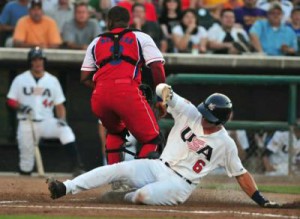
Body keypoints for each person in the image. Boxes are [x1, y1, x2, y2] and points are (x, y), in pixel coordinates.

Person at [47, 83, 280, 208]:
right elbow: (161, 89)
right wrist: (165, 93)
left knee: (142, 197)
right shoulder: (190, 111)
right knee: (115, 169)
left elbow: (241, 174)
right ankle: (65, 188)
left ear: (221, 120)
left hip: (181, 184)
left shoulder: (225, 144)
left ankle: (125, 196)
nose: (204, 118)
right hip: (159, 166)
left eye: (210, 117)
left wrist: (261, 199)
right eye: (204, 113)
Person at [80, 6, 166, 166]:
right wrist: (161, 98)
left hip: (100, 95)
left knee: (115, 133)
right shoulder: (141, 36)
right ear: (129, 21)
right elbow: (157, 67)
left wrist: (103, 89)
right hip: (127, 92)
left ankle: (116, 181)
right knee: (153, 137)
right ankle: (137, 178)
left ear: (109, 21)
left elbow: (84, 77)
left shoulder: (96, 41)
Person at [6, 47, 84, 176]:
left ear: (44, 61)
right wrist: (21, 106)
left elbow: (59, 105)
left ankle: (77, 166)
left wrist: (62, 120)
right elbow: (10, 100)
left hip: (47, 121)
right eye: (35, 60)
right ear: (30, 62)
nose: (38, 63)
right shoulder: (20, 79)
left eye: (40, 59)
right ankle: (24, 186)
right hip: (27, 123)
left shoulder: (52, 80)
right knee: (26, 164)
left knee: (65, 131)